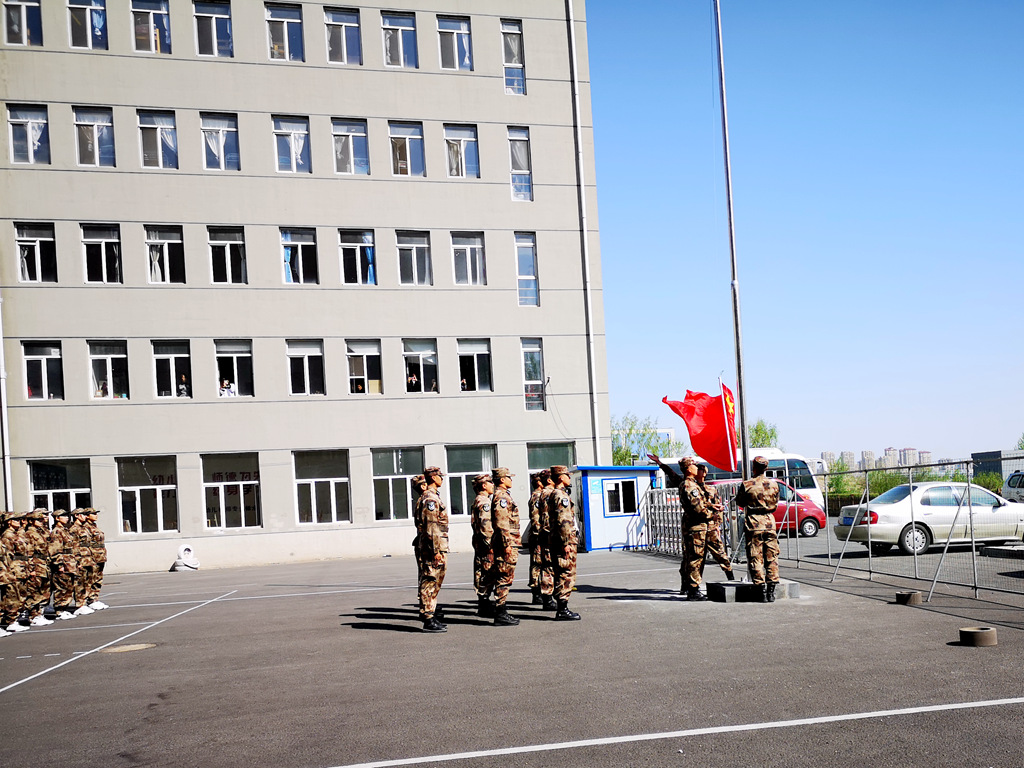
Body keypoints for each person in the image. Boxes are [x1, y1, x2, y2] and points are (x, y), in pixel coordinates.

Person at [734, 456, 781, 602]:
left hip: (754, 523)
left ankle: (760, 591)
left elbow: (740, 501)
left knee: (756, 556)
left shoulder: (747, 485)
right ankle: (771, 591)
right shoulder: (774, 485)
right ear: (766, 468)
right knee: (771, 557)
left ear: (753, 467)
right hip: (769, 522)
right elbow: (777, 501)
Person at [417, 467, 449, 633]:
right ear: (433, 478)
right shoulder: (430, 499)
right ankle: (428, 618)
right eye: (440, 476)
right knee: (430, 581)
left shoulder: (432, 497)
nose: (442, 479)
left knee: (434, 581)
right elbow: (431, 527)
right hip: (432, 548)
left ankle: (431, 613)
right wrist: (436, 550)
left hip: (436, 546)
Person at [547, 465, 580, 621]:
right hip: (563, 542)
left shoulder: (554, 494)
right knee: (566, 574)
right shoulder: (562, 496)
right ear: (561, 477)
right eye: (567, 475)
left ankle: (562, 607)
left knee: (562, 572)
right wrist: (566, 542)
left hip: (557, 540)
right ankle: (562, 609)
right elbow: (564, 522)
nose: (569, 477)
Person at [678, 457, 713, 601]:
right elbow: (698, 508)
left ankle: (691, 587)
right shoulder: (690, 486)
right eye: (693, 465)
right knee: (696, 558)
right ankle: (693, 589)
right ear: (688, 469)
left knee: (693, 557)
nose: (696, 467)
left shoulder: (690, 484)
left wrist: (711, 506)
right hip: (696, 526)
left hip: (694, 525)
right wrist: (712, 515)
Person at [490, 467, 521, 627]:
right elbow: (502, 523)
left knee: (505, 578)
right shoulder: (502, 497)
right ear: (502, 479)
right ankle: (500, 613)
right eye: (509, 477)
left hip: (508, 543)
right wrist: (507, 544)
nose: (511, 480)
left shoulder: (503, 496)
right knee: (503, 577)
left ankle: (501, 611)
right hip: (506, 544)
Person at [697, 464, 735, 581]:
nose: (701, 472)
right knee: (695, 558)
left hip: (711, 527)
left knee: (720, 554)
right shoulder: (692, 489)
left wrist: (718, 525)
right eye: (700, 470)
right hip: (697, 526)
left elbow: (718, 508)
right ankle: (690, 585)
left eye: (702, 470)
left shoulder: (711, 490)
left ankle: (730, 577)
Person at [469, 473, 496, 617]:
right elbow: (486, 526)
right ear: (484, 485)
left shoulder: (479, 500)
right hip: (485, 545)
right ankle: (484, 605)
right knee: (486, 573)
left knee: (482, 572)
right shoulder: (484, 502)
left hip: (480, 544)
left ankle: (484, 603)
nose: (493, 485)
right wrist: (490, 545)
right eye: (490, 482)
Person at [527, 470, 555, 608]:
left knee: (539, 564)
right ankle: (537, 593)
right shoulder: (537, 496)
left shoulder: (541, 495)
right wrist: (540, 535)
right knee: (538, 564)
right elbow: (536, 517)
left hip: (540, 535)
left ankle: (540, 592)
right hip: (538, 536)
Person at [48, 509, 79, 620]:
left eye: (67, 516)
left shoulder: (65, 530)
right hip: (64, 563)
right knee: (61, 587)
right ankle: (59, 610)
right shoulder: (57, 532)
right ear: (57, 518)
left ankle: (64, 608)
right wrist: (59, 564)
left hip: (70, 562)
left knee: (68, 586)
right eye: (63, 516)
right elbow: (55, 550)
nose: (67, 518)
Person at [84, 508, 109, 610]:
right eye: (93, 514)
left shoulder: (94, 526)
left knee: (98, 579)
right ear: (87, 516)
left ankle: (95, 598)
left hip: (100, 557)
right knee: (91, 579)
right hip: (93, 557)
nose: (96, 515)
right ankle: (90, 599)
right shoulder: (86, 528)